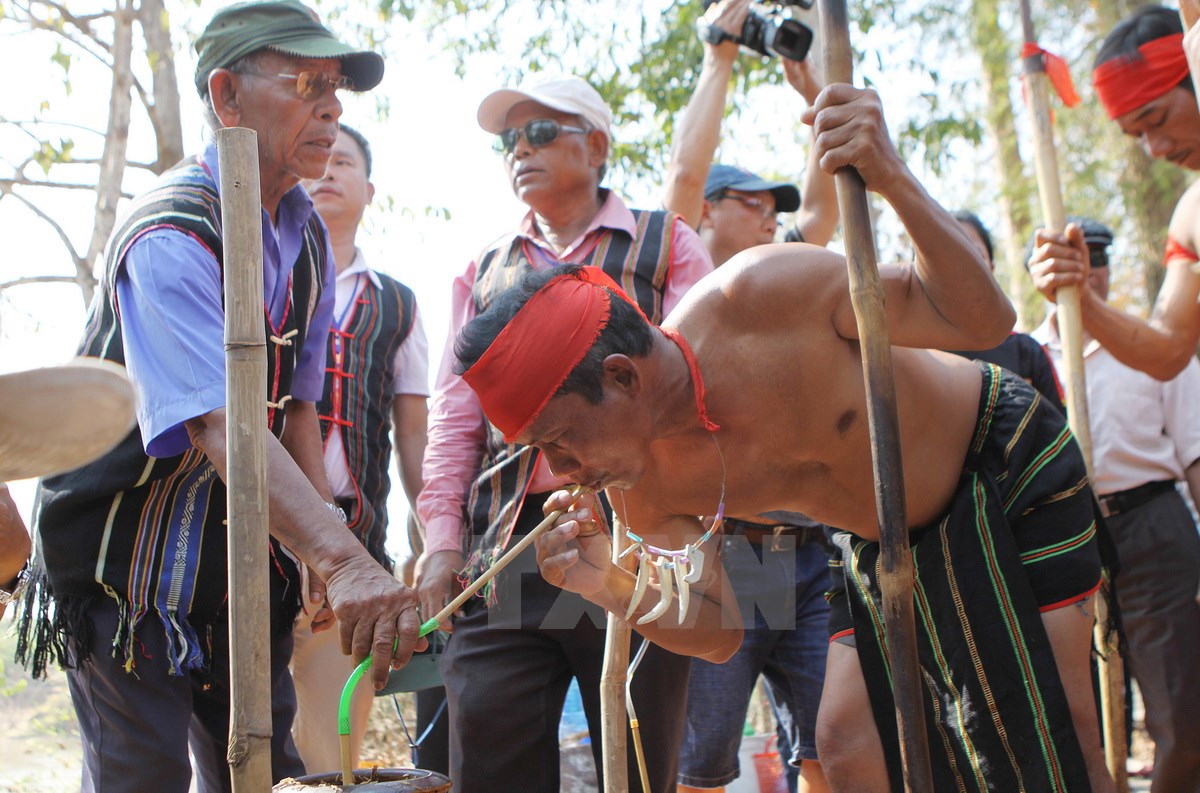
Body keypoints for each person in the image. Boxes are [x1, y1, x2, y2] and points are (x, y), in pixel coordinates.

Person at [455, 83, 1118, 793]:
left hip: (1003, 461)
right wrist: (609, 582)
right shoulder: (641, 481)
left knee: (1062, 734)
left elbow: (985, 318)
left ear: (621, 376)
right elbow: (718, 630)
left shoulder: (763, 293)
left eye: (560, 440)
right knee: (844, 736)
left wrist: (888, 171)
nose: (560, 470)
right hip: (873, 543)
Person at [15, 4, 424, 791]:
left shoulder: (304, 235)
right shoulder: (170, 234)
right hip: (124, 575)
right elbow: (214, 419)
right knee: (146, 777)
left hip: (235, 569)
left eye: (337, 87)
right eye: (308, 82)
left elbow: (299, 405)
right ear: (227, 95)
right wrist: (342, 561)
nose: (333, 107)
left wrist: (322, 542)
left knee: (264, 770)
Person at [415, 73, 715, 792]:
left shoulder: (665, 245)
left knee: (638, 760)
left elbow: (701, 390)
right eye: (510, 139)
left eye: (542, 131)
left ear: (598, 145)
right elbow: (455, 421)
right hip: (506, 546)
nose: (522, 148)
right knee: (489, 753)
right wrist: (441, 544)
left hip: (642, 541)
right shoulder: (482, 271)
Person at [661, 5, 837, 787]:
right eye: (751, 202)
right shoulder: (680, 274)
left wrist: (812, 87)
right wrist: (721, 60)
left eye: (775, 204)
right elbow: (681, 180)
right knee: (702, 761)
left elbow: (829, 206)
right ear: (706, 216)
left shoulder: (789, 279)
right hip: (727, 557)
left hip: (812, 551)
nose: (770, 213)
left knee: (833, 743)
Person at [1030, 219, 1200, 793]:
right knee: (1088, 715)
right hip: (1068, 539)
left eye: (1098, 258)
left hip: (1154, 530)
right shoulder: (1026, 359)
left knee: (1180, 708)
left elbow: (1197, 454)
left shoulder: (1155, 348)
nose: (1089, 271)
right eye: (1075, 256)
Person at [288, 124, 431, 774]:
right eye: (318, 158)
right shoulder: (264, 276)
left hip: (357, 540)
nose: (328, 171)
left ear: (368, 188)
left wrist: (432, 539)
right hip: (259, 536)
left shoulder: (397, 303)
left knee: (331, 737)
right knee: (247, 722)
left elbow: (415, 434)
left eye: (344, 161)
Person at [1028, 5, 1200, 381]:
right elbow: (1167, 350)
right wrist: (1078, 295)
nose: (1155, 149)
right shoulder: (1191, 218)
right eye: (1138, 135)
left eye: (1156, 120)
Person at [664, 0, 838, 253]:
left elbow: (820, 213)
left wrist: (818, 101)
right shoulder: (669, 264)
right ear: (706, 210)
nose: (771, 226)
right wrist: (718, 60)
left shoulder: (775, 282)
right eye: (756, 204)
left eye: (774, 214)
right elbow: (685, 177)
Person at [948, 210, 1066, 413]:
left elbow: (1058, 437)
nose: (963, 266)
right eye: (948, 257)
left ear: (992, 268)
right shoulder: (909, 358)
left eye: (975, 254)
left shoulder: (1026, 353)